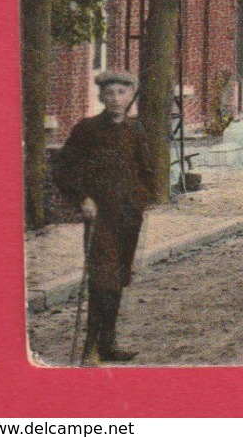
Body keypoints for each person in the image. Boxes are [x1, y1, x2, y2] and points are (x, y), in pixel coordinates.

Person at [55, 68, 155, 365]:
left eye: (121, 93)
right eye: (109, 93)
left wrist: (140, 200)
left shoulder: (136, 130)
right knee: (102, 279)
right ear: (101, 96)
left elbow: (148, 170)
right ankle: (91, 348)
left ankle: (108, 342)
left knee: (120, 276)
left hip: (128, 216)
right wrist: (82, 197)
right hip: (100, 218)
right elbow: (64, 169)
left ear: (130, 96)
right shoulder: (87, 129)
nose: (115, 99)